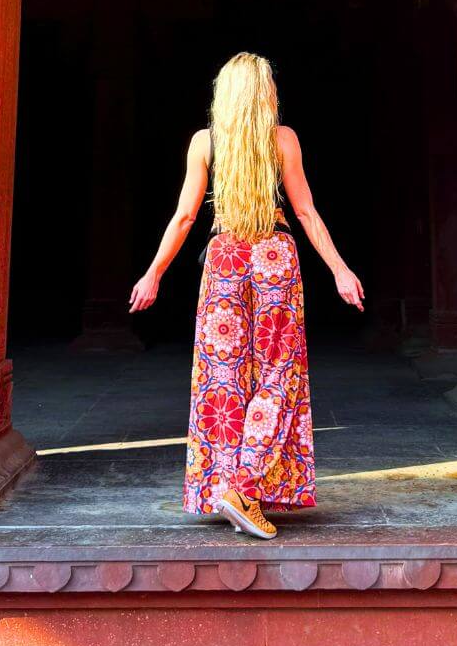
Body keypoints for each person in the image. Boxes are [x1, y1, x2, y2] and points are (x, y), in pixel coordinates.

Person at [129, 52, 364, 540]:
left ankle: (236, 490)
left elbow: (186, 218)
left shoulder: (205, 142)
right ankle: (244, 486)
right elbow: (306, 212)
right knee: (280, 374)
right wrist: (339, 269)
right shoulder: (283, 140)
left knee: (224, 380)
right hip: (274, 258)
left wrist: (153, 273)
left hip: (225, 261)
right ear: (265, 93)